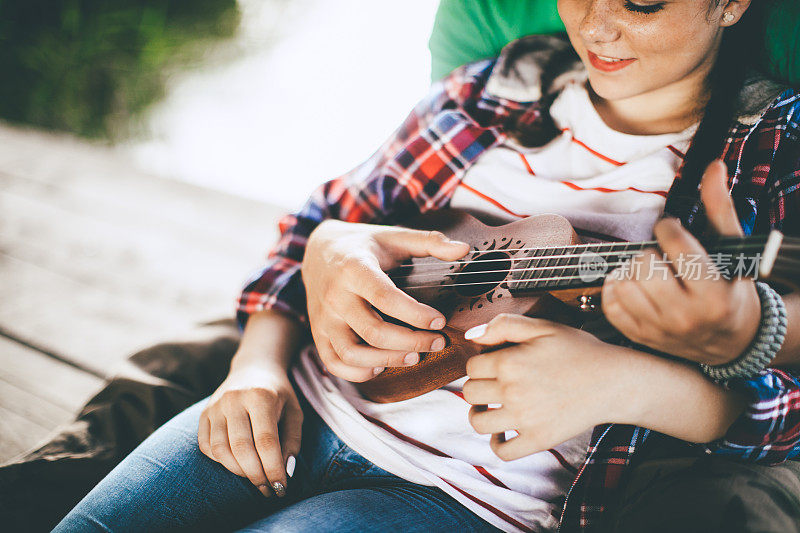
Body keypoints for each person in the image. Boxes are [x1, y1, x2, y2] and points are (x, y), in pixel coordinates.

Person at [54, 1, 800, 531]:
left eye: (643, 1)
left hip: (467, 501)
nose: (597, 26)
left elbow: (780, 422)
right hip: (299, 408)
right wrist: (258, 367)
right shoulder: (493, 89)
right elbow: (318, 221)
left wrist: (629, 377)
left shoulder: (766, 152)